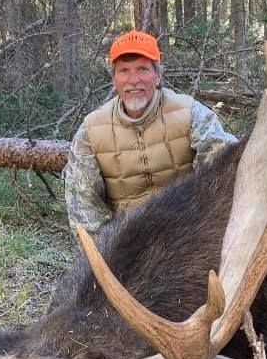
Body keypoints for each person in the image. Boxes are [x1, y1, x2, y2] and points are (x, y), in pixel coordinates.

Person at [64, 30, 238, 234]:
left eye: (143, 69)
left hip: (190, 232)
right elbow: (83, 209)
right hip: (126, 242)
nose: (133, 80)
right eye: (124, 71)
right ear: (114, 80)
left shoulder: (192, 114)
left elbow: (225, 173)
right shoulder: (91, 131)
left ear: (157, 76)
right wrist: (103, 256)